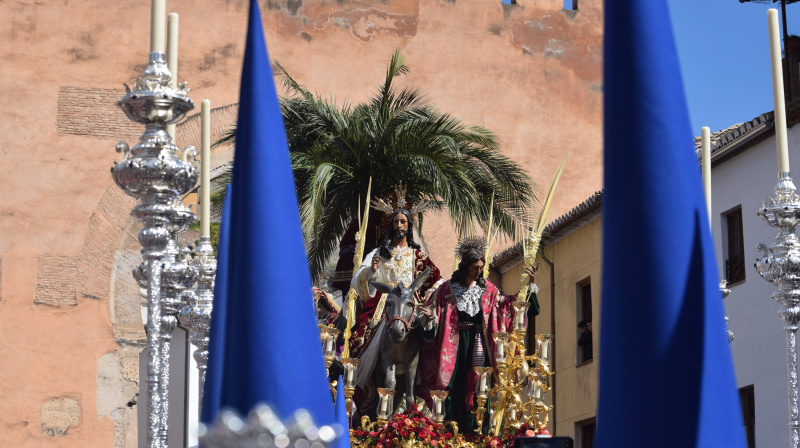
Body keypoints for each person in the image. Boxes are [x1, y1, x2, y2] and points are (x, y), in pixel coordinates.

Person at [418, 236, 536, 434]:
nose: (479, 271)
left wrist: (528, 288)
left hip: (479, 344)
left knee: (479, 388)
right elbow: (432, 315)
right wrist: (429, 318)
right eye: (475, 267)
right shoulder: (446, 289)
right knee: (451, 387)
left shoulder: (488, 289)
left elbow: (507, 307)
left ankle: (477, 432)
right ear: (465, 266)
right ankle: (450, 433)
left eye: (481, 267)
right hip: (452, 347)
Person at [346, 207, 443, 414]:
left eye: (403, 222)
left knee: (429, 333)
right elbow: (358, 280)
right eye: (396, 222)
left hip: (410, 302)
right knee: (361, 337)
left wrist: (428, 295)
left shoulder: (419, 256)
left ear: (409, 226)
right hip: (385, 302)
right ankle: (370, 384)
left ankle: (426, 382)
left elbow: (438, 281)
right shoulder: (379, 253)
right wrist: (372, 271)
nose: (399, 226)